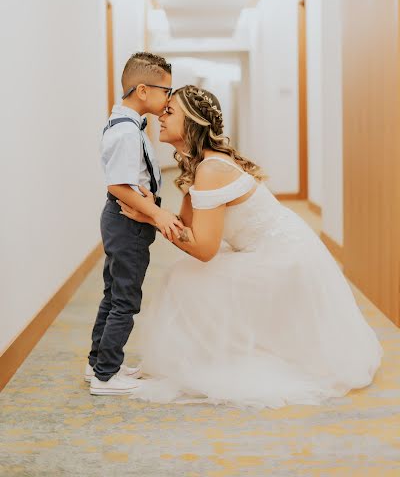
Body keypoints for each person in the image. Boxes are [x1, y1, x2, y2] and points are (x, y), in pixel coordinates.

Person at [117, 84, 383, 408]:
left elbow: (203, 249)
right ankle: (213, 355)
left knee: (186, 278)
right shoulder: (202, 165)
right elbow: (188, 228)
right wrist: (154, 215)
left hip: (283, 258)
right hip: (275, 249)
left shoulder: (211, 169)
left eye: (170, 111)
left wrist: (156, 218)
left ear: (192, 122)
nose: (160, 116)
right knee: (184, 276)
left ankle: (212, 360)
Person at [86, 52, 182, 396]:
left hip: (120, 218)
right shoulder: (127, 132)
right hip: (127, 222)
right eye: (165, 91)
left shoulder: (124, 124)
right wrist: (157, 214)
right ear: (142, 90)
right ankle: (106, 377)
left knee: (113, 293)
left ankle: (97, 363)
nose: (169, 99)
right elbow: (118, 185)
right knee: (125, 299)